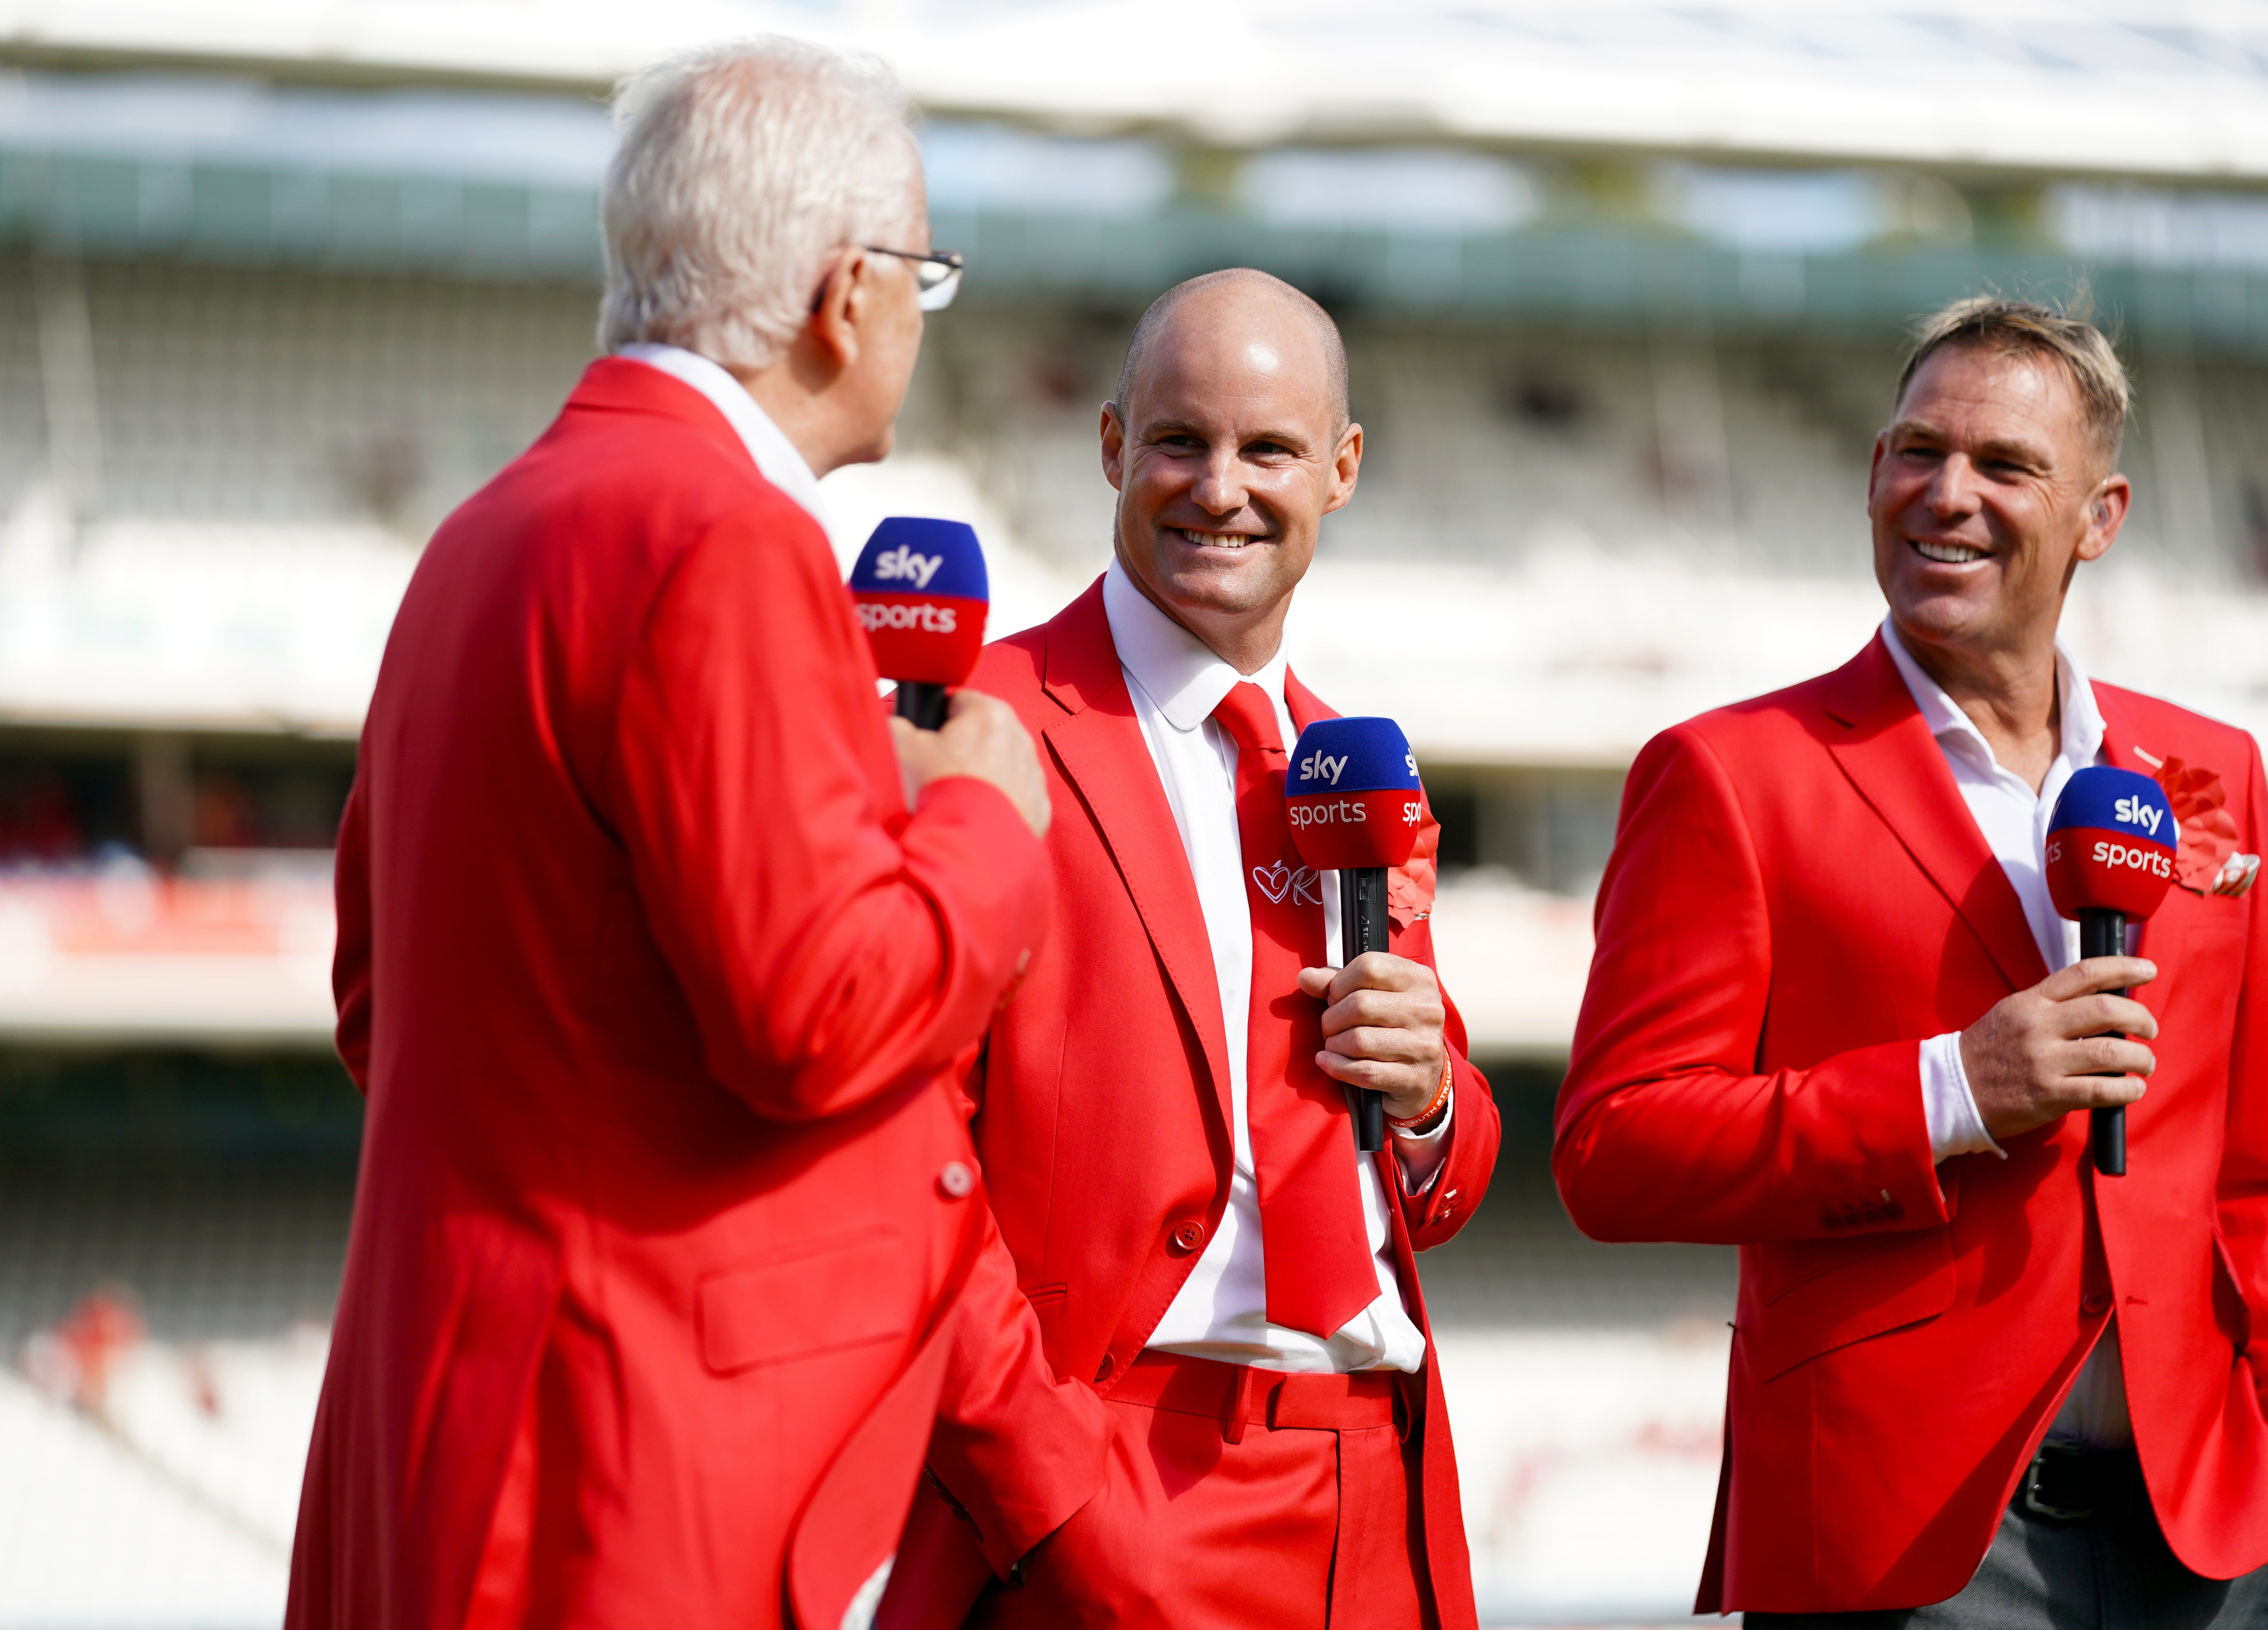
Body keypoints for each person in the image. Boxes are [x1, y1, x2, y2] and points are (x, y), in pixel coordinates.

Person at [287, 40, 1052, 1630]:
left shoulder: (485, 530)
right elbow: (818, 1016)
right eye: (926, 276)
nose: (921, 313)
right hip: (616, 1460)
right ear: (847, 297)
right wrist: (988, 813)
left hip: (444, 1423)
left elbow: (377, 1005)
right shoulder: (723, 536)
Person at [1554, 296, 2268, 1626]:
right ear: (1872, 473)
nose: (1946, 494)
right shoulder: (1729, 777)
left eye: (2005, 467)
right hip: (1899, 1535)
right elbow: (1613, 1148)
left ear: (2098, 517)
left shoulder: (2213, 771)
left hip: (2201, 1528)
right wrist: (1951, 1092)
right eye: (1917, 452)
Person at [876, 270, 1499, 1630]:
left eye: (1268, 448)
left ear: (1337, 470)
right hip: (1107, 1481)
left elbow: (1437, 1186)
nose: (1220, 487)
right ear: (1111, 445)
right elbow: (897, 1162)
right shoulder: (974, 728)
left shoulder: (1361, 770)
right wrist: (1054, 1498)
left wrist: (1432, 1103)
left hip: (1377, 1483)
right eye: (1180, 441)